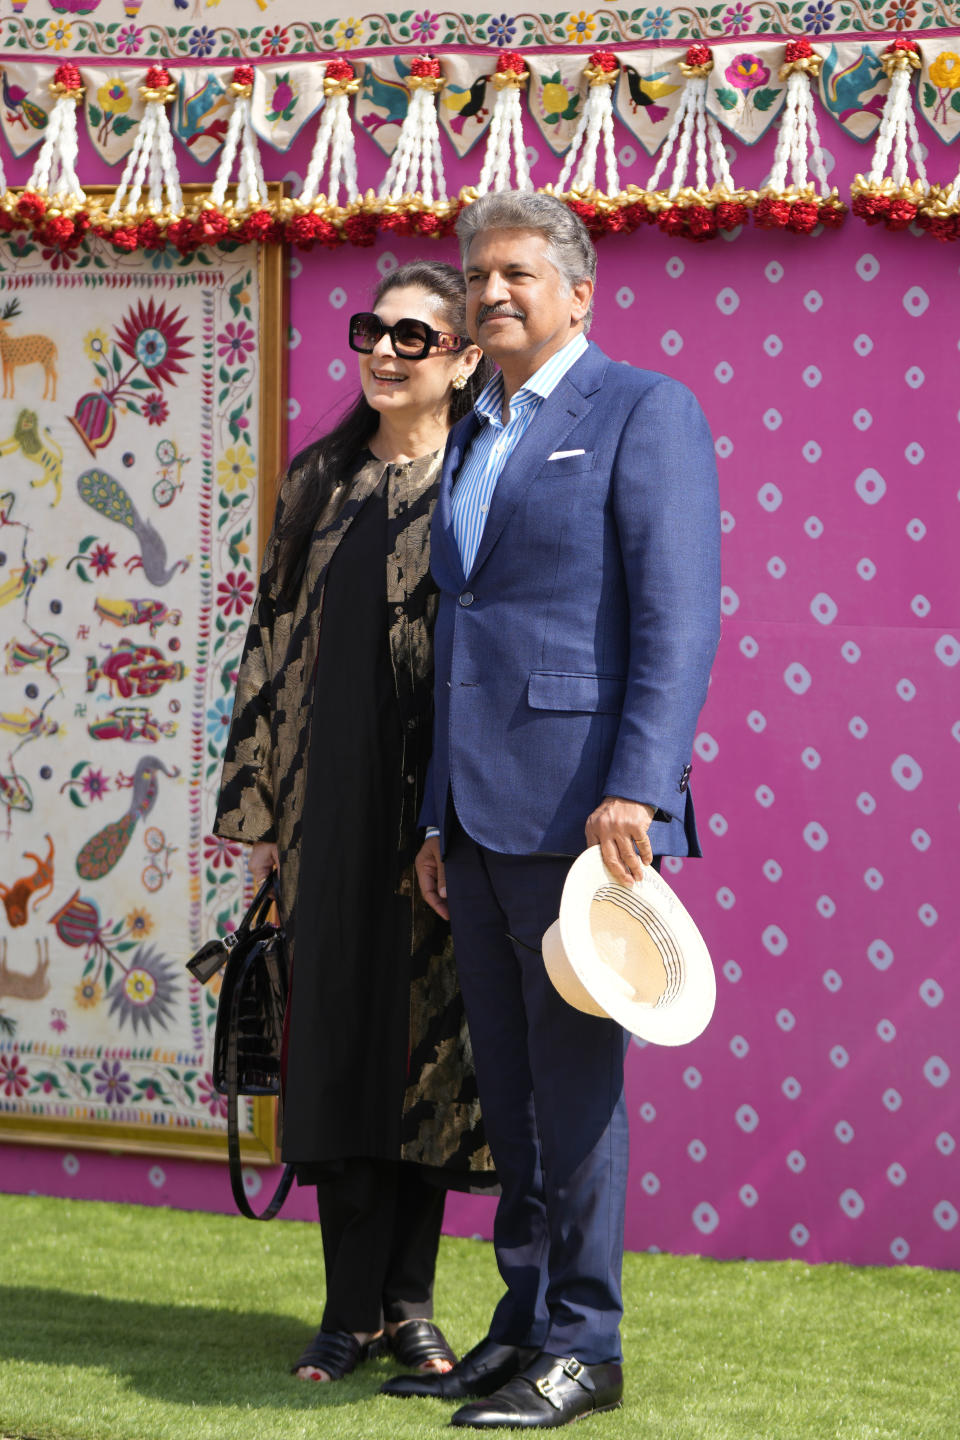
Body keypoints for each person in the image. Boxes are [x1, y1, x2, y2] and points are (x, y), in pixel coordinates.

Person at [383, 194, 721, 1428]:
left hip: (585, 817)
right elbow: (463, 633)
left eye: (518, 273)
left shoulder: (643, 410)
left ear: (580, 291)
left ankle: (589, 1343)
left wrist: (637, 784)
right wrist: (434, 818)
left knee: (575, 1093)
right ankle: (522, 1325)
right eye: (478, 277)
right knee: (510, 1093)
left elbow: (678, 618)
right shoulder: (472, 422)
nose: (491, 294)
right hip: (472, 819)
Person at [213, 261, 495, 1387]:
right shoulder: (318, 480)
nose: (384, 351)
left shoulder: (483, 480)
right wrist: (263, 819)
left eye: (414, 338)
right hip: (327, 811)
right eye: (372, 330)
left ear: (464, 361)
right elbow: (268, 651)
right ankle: (346, 1311)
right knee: (334, 1050)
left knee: (428, 1055)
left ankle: (412, 1307)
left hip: (441, 817)